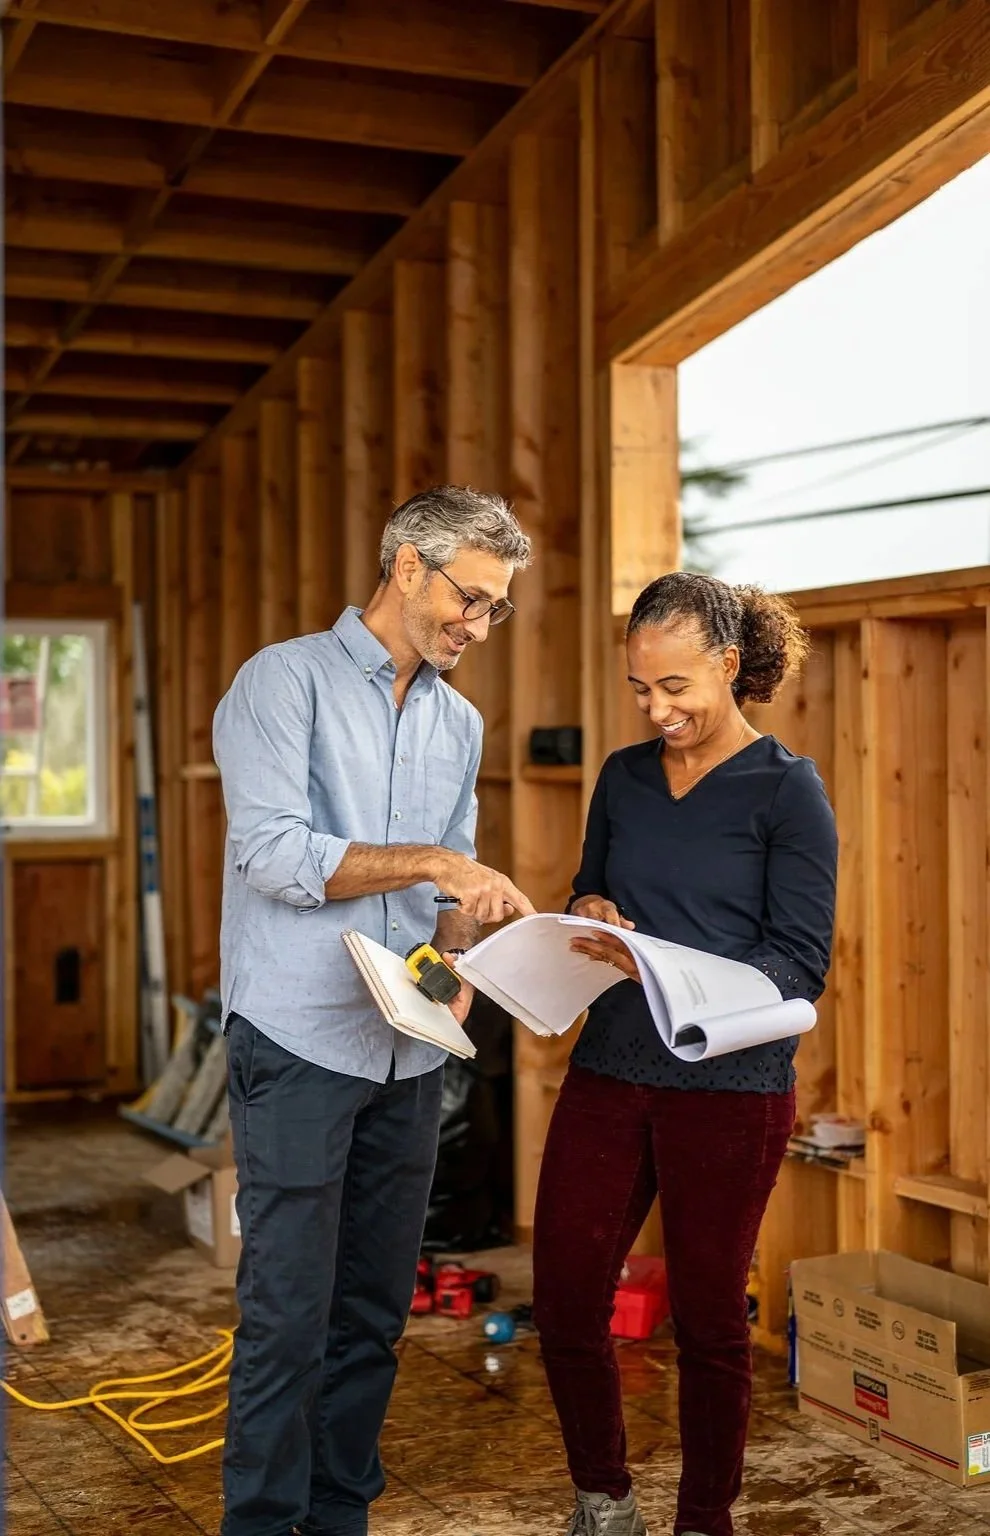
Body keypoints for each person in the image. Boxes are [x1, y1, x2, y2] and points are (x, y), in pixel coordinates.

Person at [213, 485, 534, 1536]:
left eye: (495, 610)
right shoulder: (283, 683)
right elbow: (272, 855)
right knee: (287, 1320)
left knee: (370, 1318)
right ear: (406, 566)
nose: (478, 627)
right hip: (299, 1042)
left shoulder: (461, 722)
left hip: (405, 1055)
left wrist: (471, 952)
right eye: (471, 600)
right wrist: (443, 860)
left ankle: (338, 1516)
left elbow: (433, 907)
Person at [532, 571, 838, 1536]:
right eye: (640, 689)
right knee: (566, 1296)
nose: (657, 709)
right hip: (612, 1066)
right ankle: (603, 1498)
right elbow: (590, 887)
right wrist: (588, 911)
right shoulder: (623, 777)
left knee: (709, 1322)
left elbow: (798, 965)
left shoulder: (788, 791)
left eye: (677, 688)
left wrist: (671, 969)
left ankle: (707, 1518)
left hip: (731, 1089)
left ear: (730, 666)